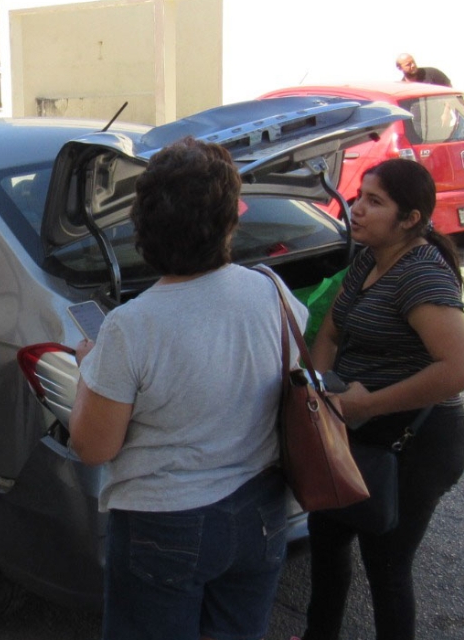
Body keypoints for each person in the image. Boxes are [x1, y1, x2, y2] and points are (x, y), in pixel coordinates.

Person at [68, 137, 307, 640]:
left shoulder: (131, 327)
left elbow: (93, 447)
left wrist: (89, 375)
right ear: (230, 222)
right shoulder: (270, 290)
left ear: (142, 229)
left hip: (165, 523)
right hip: (262, 511)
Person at [299, 158, 464, 640]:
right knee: (327, 540)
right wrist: (319, 391)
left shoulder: (422, 275)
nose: (357, 209)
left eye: (375, 202)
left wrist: (367, 405)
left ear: (410, 219)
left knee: (387, 565)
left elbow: (461, 370)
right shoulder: (369, 259)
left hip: (416, 442)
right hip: (355, 428)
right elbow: (331, 332)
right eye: (359, 197)